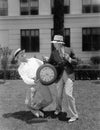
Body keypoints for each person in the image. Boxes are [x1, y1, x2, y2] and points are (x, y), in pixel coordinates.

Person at [13, 48, 53, 117]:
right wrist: (33, 81)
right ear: (17, 58)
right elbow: (25, 79)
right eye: (20, 54)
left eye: (22, 52)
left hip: (41, 81)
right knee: (28, 103)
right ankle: (34, 109)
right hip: (32, 84)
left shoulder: (33, 60)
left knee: (49, 100)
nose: (22, 54)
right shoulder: (20, 68)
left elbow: (43, 65)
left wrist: (46, 61)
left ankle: (37, 108)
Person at [47, 35, 78, 122]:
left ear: (60, 43)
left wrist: (70, 59)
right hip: (59, 76)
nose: (54, 45)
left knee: (68, 94)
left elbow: (76, 62)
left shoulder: (69, 50)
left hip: (69, 75)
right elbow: (50, 64)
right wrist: (46, 61)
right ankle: (58, 109)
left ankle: (74, 115)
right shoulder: (53, 53)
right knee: (58, 95)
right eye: (54, 43)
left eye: (55, 43)